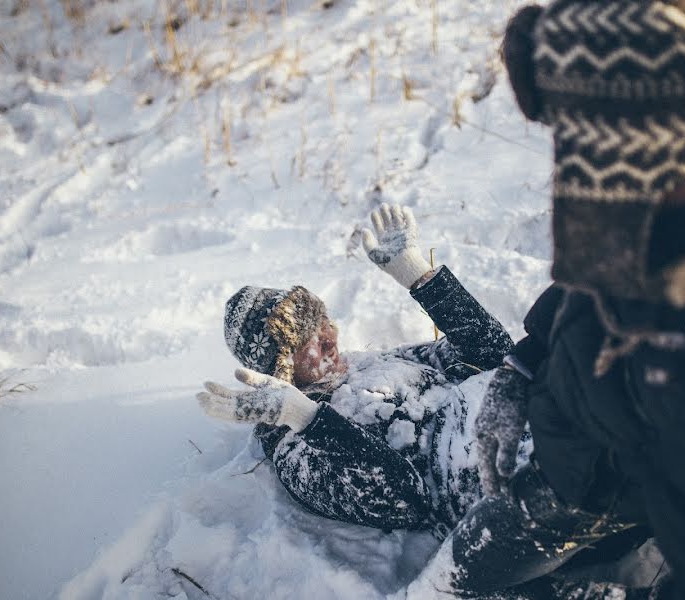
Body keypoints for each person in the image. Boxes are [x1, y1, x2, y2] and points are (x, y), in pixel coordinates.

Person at [408, 1, 685, 599]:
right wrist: (522, 364)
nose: (602, 197)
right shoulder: (660, 206)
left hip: (608, 489)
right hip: (574, 453)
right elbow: (589, 288)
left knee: (450, 591)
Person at [196, 203, 527, 536]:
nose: (330, 338)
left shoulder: (366, 363)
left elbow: (498, 358)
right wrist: (305, 418)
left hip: (535, 419)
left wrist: (421, 278)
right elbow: (402, 501)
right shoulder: (292, 440)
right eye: (306, 341)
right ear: (281, 370)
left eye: (323, 322)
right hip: (506, 483)